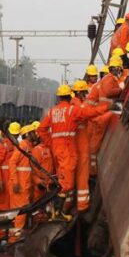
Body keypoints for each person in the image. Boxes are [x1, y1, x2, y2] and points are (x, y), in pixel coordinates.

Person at [38, 84, 108, 220]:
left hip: (59, 150)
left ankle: (59, 211)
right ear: (70, 96)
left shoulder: (52, 112)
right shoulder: (72, 110)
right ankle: (58, 212)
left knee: (64, 179)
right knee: (67, 184)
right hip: (68, 149)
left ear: (59, 97)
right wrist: (107, 108)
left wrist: (51, 143)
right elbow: (90, 113)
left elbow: (41, 130)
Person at [87, 56, 126, 175]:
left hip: (100, 113)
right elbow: (109, 92)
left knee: (94, 143)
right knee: (94, 145)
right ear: (117, 68)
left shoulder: (105, 80)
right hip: (102, 115)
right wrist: (120, 89)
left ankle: (91, 170)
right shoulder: (110, 79)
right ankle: (92, 171)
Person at [7, 123, 38, 243]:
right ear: (28, 134)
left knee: (21, 215)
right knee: (19, 215)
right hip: (19, 187)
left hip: (24, 187)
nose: (36, 134)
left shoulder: (29, 147)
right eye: (33, 132)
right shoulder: (23, 146)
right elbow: (12, 162)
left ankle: (15, 239)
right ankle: (13, 241)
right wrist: (15, 182)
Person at [0, 122, 20, 240]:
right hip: (4, 180)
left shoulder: (16, 144)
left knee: (11, 208)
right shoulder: (5, 144)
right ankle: (1, 236)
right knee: (3, 207)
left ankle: (9, 236)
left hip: (11, 181)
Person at [71, 80, 94, 212]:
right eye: (84, 92)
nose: (85, 95)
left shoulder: (71, 105)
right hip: (80, 147)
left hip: (73, 147)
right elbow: (91, 115)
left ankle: (74, 204)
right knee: (82, 177)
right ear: (79, 92)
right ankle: (82, 205)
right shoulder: (78, 106)